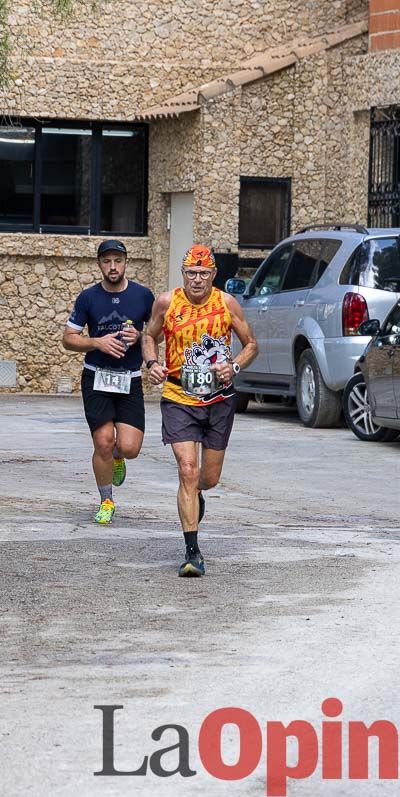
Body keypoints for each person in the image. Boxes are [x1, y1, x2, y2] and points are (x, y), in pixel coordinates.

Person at [143, 244, 257, 577]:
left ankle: (196, 498)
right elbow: (148, 336)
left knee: (208, 478)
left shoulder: (226, 303)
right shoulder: (167, 302)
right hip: (178, 396)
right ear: (183, 274)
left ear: (213, 274)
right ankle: (192, 552)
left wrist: (233, 367)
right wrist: (151, 363)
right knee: (187, 470)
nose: (196, 280)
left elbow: (252, 344)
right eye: (191, 273)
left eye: (203, 273)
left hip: (219, 400)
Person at [63, 240, 156, 525]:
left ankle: (118, 457)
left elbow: (157, 334)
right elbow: (68, 338)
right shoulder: (88, 298)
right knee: (103, 441)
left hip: (130, 379)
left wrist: (140, 337)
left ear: (126, 262)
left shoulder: (143, 296)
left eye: (117, 260)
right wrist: (96, 342)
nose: (112, 267)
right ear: (99, 264)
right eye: (106, 261)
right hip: (97, 377)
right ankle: (106, 500)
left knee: (129, 448)